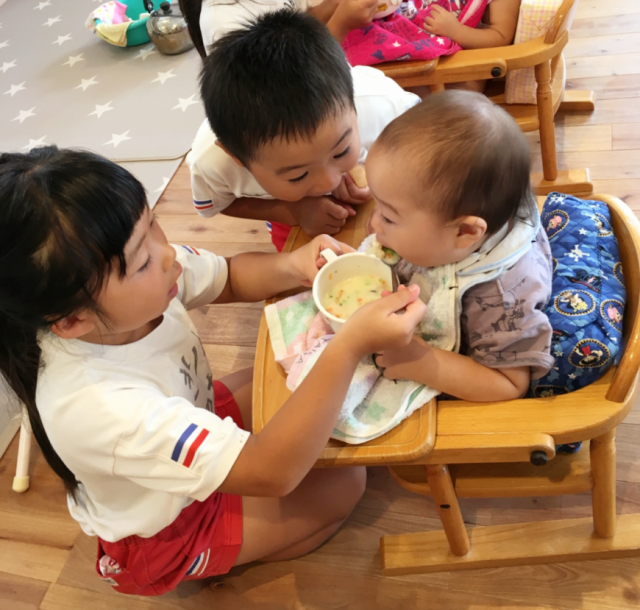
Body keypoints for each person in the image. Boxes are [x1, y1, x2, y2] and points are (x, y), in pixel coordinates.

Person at [0, 146, 426, 596]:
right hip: (171, 525)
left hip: (189, 413)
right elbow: (273, 472)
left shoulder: (144, 278)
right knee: (345, 483)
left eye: (153, 225)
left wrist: (293, 265)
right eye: (141, 260)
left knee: (285, 386)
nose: (166, 256)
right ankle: (210, 561)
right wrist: (350, 344)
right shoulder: (104, 411)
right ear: (70, 321)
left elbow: (228, 276)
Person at [368, 90, 554, 401]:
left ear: (466, 231)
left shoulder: (497, 300)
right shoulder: (459, 226)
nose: (373, 224)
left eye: (387, 216)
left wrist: (421, 361)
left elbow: (509, 384)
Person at [186, 8, 420, 252]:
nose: (328, 182)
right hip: (292, 220)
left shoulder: (379, 102)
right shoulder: (214, 163)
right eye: (297, 175)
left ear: (353, 103)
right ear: (238, 158)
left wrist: (378, 179)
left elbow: (423, 146)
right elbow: (216, 203)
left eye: (341, 152)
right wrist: (293, 211)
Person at [179, 0, 379, 57]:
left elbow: (290, 23)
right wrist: (341, 23)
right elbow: (294, 87)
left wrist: (330, 7)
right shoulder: (224, 25)